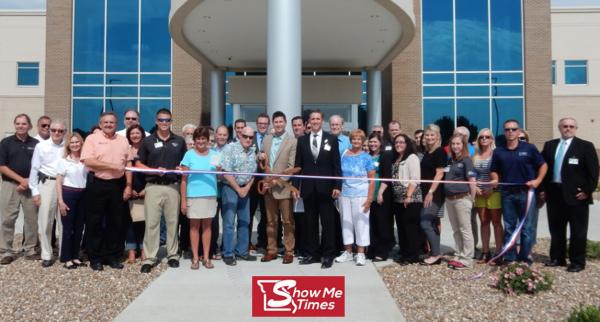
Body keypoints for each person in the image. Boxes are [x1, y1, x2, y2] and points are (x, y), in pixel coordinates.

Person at [541, 117, 599, 272]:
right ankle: (557, 258)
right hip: (554, 194)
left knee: (578, 231)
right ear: (559, 128)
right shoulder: (550, 145)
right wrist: (542, 189)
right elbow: (542, 168)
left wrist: (587, 191)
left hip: (576, 196)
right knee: (556, 229)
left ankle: (577, 262)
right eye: (565, 126)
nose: (568, 128)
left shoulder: (585, 146)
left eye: (571, 126)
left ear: (576, 128)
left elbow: (593, 173)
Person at [136, 108, 187, 273]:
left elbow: (185, 164)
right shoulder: (148, 141)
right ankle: (150, 257)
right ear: (156, 121)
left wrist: (181, 168)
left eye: (167, 120)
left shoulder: (179, 141)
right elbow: (138, 164)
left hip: (173, 187)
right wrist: (153, 170)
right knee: (152, 223)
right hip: (153, 187)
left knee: (173, 223)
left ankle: (172, 255)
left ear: (171, 122)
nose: (164, 123)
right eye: (161, 120)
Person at [490, 119, 547, 265]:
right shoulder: (498, 151)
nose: (510, 132)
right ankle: (510, 257)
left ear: (519, 131)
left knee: (527, 228)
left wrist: (538, 181)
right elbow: (494, 170)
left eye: (513, 129)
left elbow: (543, 165)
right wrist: (495, 179)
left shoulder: (529, 148)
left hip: (526, 193)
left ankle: (525, 257)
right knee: (509, 227)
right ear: (504, 132)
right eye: (507, 129)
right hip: (507, 194)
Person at [80, 112, 130, 271]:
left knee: (116, 222)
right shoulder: (91, 139)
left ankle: (112, 256)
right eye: (105, 122)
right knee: (94, 222)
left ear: (117, 124)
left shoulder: (123, 140)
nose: (109, 125)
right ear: (100, 124)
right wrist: (112, 166)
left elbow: (128, 163)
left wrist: (128, 184)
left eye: (112, 122)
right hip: (97, 184)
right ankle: (95, 257)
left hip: (117, 185)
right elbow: (88, 161)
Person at [294, 109, 341, 269]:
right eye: (312, 119)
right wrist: (295, 187)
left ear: (322, 121)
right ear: (309, 121)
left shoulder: (331, 139)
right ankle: (313, 254)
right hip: (308, 189)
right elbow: (297, 166)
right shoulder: (302, 140)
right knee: (310, 223)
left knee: (328, 223)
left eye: (318, 119)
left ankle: (328, 255)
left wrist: (337, 185)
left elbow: (336, 165)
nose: (315, 121)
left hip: (326, 189)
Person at [0, 114, 40, 265]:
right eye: (18, 123)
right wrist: (21, 180)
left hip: (31, 186)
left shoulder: (36, 143)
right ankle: (6, 251)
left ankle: (30, 249)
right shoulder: (6, 143)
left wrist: (28, 181)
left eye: (24, 124)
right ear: (14, 125)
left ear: (29, 126)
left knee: (32, 219)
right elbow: (2, 166)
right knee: (8, 219)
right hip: (10, 185)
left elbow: (40, 166)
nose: (20, 126)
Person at [259, 111, 297, 264]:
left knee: (287, 221)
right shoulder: (267, 139)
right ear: (273, 123)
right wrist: (259, 156)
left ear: (285, 123)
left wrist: (278, 180)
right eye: (276, 122)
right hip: (268, 187)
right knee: (271, 221)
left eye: (281, 121)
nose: (278, 124)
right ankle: (272, 250)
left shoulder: (292, 141)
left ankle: (289, 251)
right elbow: (260, 155)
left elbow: (291, 166)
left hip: (283, 187)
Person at [379, 133, 423, 264]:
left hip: (410, 198)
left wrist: (408, 196)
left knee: (410, 228)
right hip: (398, 199)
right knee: (402, 228)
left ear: (407, 144)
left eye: (401, 142)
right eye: (396, 142)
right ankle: (404, 253)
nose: (398, 144)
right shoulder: (396, 158)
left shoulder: (412, 157)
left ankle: (412, 256)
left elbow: (415, 179)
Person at [29, 119, 66, 267]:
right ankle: (46, 254)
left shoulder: (68, 146)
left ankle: (65, 253)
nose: (57, 133)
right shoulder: (41, 146)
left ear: (65, 132)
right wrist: (35, 191)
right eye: (54, 130)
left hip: (65, 184)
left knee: (64, 222)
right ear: (50, 130)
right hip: (47, 184)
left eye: (60, 130)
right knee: (45, 222)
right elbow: (34, 169)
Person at [181, 127, 219, 269]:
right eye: (198, 139)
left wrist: (221, 170)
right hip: (193, 195)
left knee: (207, 227)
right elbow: (184, 180)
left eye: (203, 138)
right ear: (194, 140)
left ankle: (207, 257)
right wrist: (183, 200)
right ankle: (195, 258)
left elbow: (220, 176)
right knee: (194, 227)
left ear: (208, 140)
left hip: (210, 194)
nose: (201, 141)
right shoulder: (188, 155)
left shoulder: (215, 155)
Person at [335, 129, 375, 266]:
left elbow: (372, 179)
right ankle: (348, 251)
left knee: (361, 224)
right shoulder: (344, 154)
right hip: (345, 194)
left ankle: (360, 253)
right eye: (354, 139)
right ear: (350, 140)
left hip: (361, 195)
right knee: (346, 222)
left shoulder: (367, 157)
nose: (356, 141)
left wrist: (369, 199)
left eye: (359, 139)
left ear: (363, 141)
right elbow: (339, 174)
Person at [220, 126, 258, 265]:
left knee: (245, 221)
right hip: (230, 188)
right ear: (239, 135)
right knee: (229, 222)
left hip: (245, 189)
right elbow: (226, 171)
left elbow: (254, 173)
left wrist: (247, 188)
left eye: (250, 137)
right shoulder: (230, 149)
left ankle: (242, 251)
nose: (248, 139)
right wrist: (238, 188)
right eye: (245, 136)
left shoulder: (253, 151)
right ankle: (228, 253)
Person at [444, 134, 477, 270]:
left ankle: (467, 258)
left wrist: (472, 199)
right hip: (450, 200)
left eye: (458, 144)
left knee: (465, 229)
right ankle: (458, 254)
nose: (455, 146)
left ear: (463, 145)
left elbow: (472, 181)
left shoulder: (466, 160)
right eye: (453, 144)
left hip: (462, 199)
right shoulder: (450, 160)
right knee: (456, 230)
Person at [56, 132, 88, 269]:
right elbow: (58, 182)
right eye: (72, 142)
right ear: (68, 145)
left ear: (81, 143)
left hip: (83, 195)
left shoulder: (86, 160)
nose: (75, 144)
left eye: (77, 142)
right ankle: (66, 257)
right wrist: (61, 201)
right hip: (69, 194)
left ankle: (75, 256)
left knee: (79, 227)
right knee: (68, 228)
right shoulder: (64, 161)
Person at [473, 128, 503, 263]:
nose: (484, 139)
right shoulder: (475, 155)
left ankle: (499, 252)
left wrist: (492, 188)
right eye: (481, 137)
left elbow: (501, 173)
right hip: (479, 193)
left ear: (492, 139)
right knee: (484, 222)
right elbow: (472, 174)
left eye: (487, 137)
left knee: (496, 222)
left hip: (494, 192)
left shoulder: (497, 154)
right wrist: (475, 187)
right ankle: (486, 252)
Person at [419, 124, 447, 265]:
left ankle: (436, 253)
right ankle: (435, 253)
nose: (429, 137)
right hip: (425, 192)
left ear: (438, 136)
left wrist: (430, 192)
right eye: (427, 135)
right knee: (433, 223)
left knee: (425, 222)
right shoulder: (427, 152)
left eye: (432, 135)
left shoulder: (440, 152)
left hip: (434, 194)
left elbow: (440, 173)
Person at [367, 132, 394, 261]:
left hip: (381, 194)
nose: (373, 144)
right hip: (368, 195)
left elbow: (387, 176)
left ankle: (383, 251)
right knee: (372, 223)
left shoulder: (385, 156)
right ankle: (372, 249)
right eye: (370, 141)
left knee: (382, 223)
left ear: (380, 143)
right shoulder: (367, 156)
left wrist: (380, 193)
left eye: (375, 142)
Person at [125, 125, 146, 263]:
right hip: (129, 189)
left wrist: (147, 189)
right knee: (130, 221)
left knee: (145, 221)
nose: (135, 135)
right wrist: (128, 188)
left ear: (142, 134)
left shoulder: (148, 149)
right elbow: (122, 171)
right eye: (132, 133)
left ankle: (144, 249)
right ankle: (132, 250)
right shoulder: (125, 150)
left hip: (146, 189)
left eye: (137, 133)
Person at [249, 113, 270, 251]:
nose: (262, 125)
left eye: (265, 124)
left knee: (266, 213)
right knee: (249, 213)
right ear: (257, 124)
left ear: (268, 125)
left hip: (267, 181)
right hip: (252, 182)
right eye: (260, 123)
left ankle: (263, 241)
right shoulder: (250, 138)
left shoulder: (271, 139)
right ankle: (247, 242)